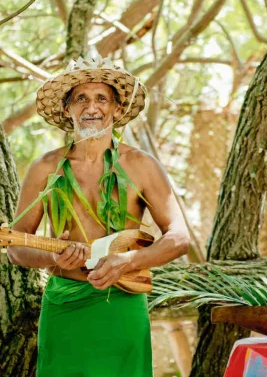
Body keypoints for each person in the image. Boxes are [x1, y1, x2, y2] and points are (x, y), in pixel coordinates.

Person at [7, 56, 190, 377]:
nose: (91, 107)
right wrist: (52, 260)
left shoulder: (141, 165)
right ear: (68, 110)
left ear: (117, 110)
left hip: (122, 303)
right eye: (81, 98)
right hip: (65, 303)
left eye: (101, 98)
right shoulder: (45, 168)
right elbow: (16, 248)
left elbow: (179, 238)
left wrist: (129, 262)